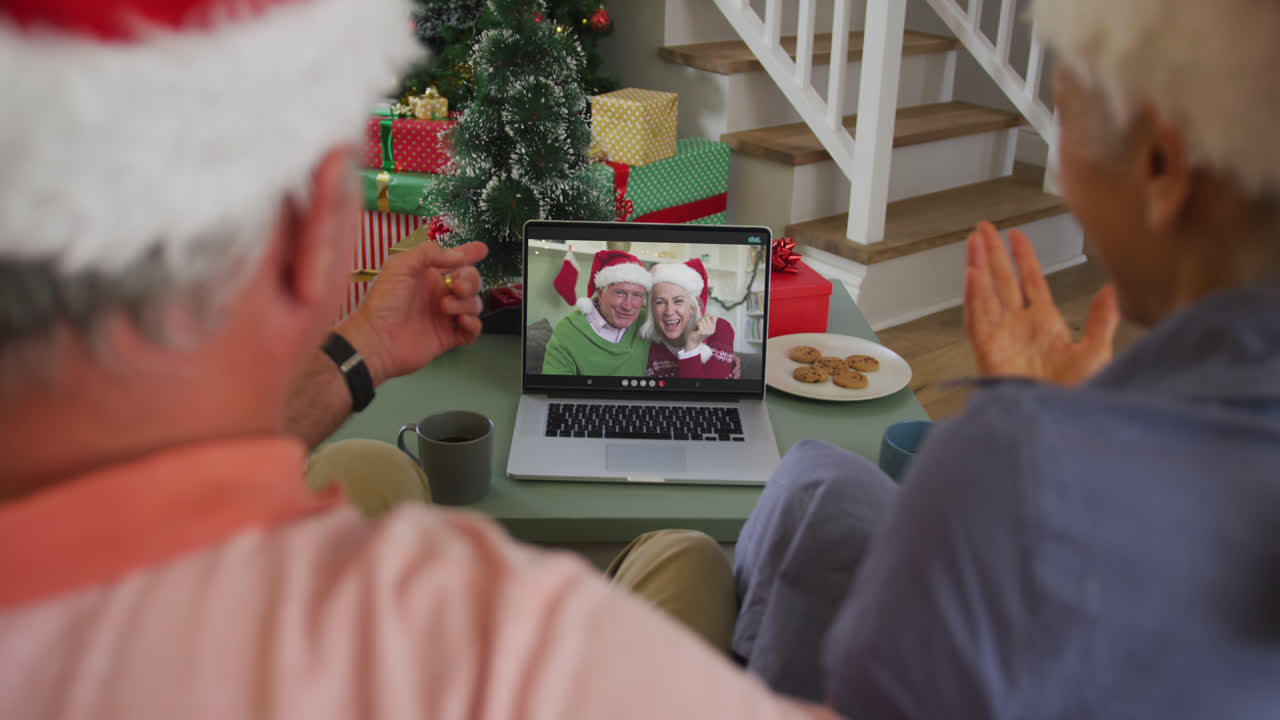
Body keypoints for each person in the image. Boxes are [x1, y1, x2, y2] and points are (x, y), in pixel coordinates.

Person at [0, 2, 838, 719]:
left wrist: (357, 353)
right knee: (691, 553)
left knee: (368, 460)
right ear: (304, 228)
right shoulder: (505, 650)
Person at [733, 0, 1280, 715]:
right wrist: (1075, 427)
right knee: (822, 483)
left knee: (698, 553)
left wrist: (1047, 447)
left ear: (1160, 168)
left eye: (1066, 109)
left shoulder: (1016, 475)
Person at [541, 249, 653, 375]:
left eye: (637, 295)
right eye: (620, 293)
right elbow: (556, 390)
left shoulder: (646, 322)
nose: (628, 306)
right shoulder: (568, 331)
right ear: (600, 292)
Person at [642, 259, 736, 379]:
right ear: (652, 309)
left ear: (692, 305)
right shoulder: (648, 344)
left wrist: (691, 345)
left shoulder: (720, 329)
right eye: (660, 302)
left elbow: (705, 394)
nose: (669, 311)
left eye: (678, 301)